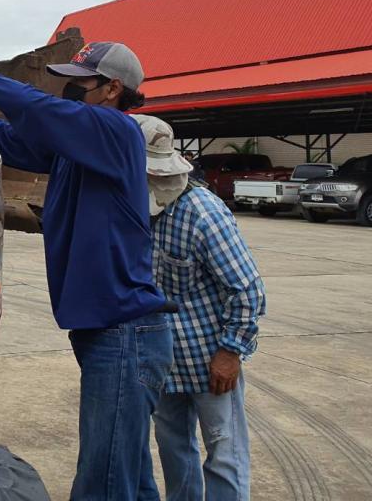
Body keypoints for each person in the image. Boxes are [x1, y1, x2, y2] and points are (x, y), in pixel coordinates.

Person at [0, 41, 174, 501]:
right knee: (129, 474)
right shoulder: (78, 149)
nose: (72, 91)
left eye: (83, 83)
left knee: (104, 483)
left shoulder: (116, 132)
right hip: (107, 333)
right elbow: (14, 139)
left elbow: (39, 109)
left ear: (113, 88)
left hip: (125, 335)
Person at [135, 114, 267, 501]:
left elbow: (246, 289)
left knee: (224, 454)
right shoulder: (142, 214)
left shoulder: (202, 213)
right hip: (164, 361)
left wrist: (231, 352)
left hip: (212, 363)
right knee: (175, 448)